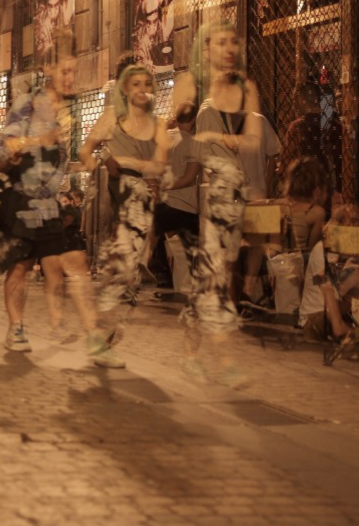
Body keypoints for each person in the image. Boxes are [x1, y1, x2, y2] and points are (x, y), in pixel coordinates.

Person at [0, 28, 120, 368]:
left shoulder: (68, 112)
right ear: (48, 70)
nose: (70, 77)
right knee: (20, 267)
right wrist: (40, 139)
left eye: (73, 71)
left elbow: (60, 162)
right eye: (64, 70)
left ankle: (95, 340)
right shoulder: (27, 105)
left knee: (77, 265)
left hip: (52, 205)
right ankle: (16, 327)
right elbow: (6, 149)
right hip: (23, 203)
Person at [169, 19, 263, 386]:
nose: (228, 49)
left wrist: (220, 140)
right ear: (206, 50)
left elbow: (253, 140)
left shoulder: (245, 90)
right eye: (220, 43)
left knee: (213, 280)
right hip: (216, 197)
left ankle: (193, 354)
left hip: (237, 194)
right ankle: (224, 362)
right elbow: (190, 142)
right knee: (216, 280)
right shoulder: (195, 93)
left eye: (233, 42)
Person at [79, 65, 171, 322]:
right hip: (120, 180)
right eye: (136, 84)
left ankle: (127, 281)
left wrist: (156, 179)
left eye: (146, 84)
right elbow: (85, 151)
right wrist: (105, 159)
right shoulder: (112, 116)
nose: (142, 90)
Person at [149, 111, 200, 286]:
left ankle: (166, 278)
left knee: (170, 244)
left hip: (164, 201)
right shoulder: (194, 144)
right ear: (194, 119)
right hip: (185, 203)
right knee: (184, 251)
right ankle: (182, 283)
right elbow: (189, 178)